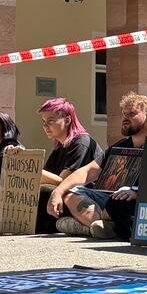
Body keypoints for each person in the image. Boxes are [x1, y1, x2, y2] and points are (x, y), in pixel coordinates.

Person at [50, 92, 147, 239]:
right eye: (123, 114)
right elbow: (87, 172)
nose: (125, 118)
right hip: (109, 201)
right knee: (70, 191)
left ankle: (93, 226)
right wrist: (58, 192)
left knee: (117, 202)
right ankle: (101, 225)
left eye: (132, 114)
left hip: (134, 201)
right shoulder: (119, 147)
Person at [34, 98, 99, 232]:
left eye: (50, 121)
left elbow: (64, 182)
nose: (46, 126)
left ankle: (78, 224)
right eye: (43, 122)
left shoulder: (81, 142)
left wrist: (31, 168)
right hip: (66, 195)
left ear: (68, 120)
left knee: (44, 195)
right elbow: (46, 179)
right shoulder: (59, 147)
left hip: (85, 198)